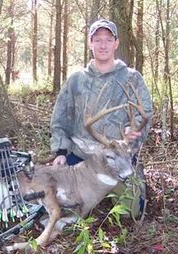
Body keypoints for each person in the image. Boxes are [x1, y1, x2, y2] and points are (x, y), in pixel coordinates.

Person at [50, 19, 153, 220]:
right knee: (62, 206)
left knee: (132, 212)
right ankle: (94, 193)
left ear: (116, 43)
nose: (103, 45)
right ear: (90, 43)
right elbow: (59, 117)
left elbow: (145, 113)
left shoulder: (132, 78)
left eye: (108, 40)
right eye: (98, 40)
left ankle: (107, 192)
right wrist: (61, 151)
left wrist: (133, 132)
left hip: (117, 157)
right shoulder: (76, 79)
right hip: (82, 156)